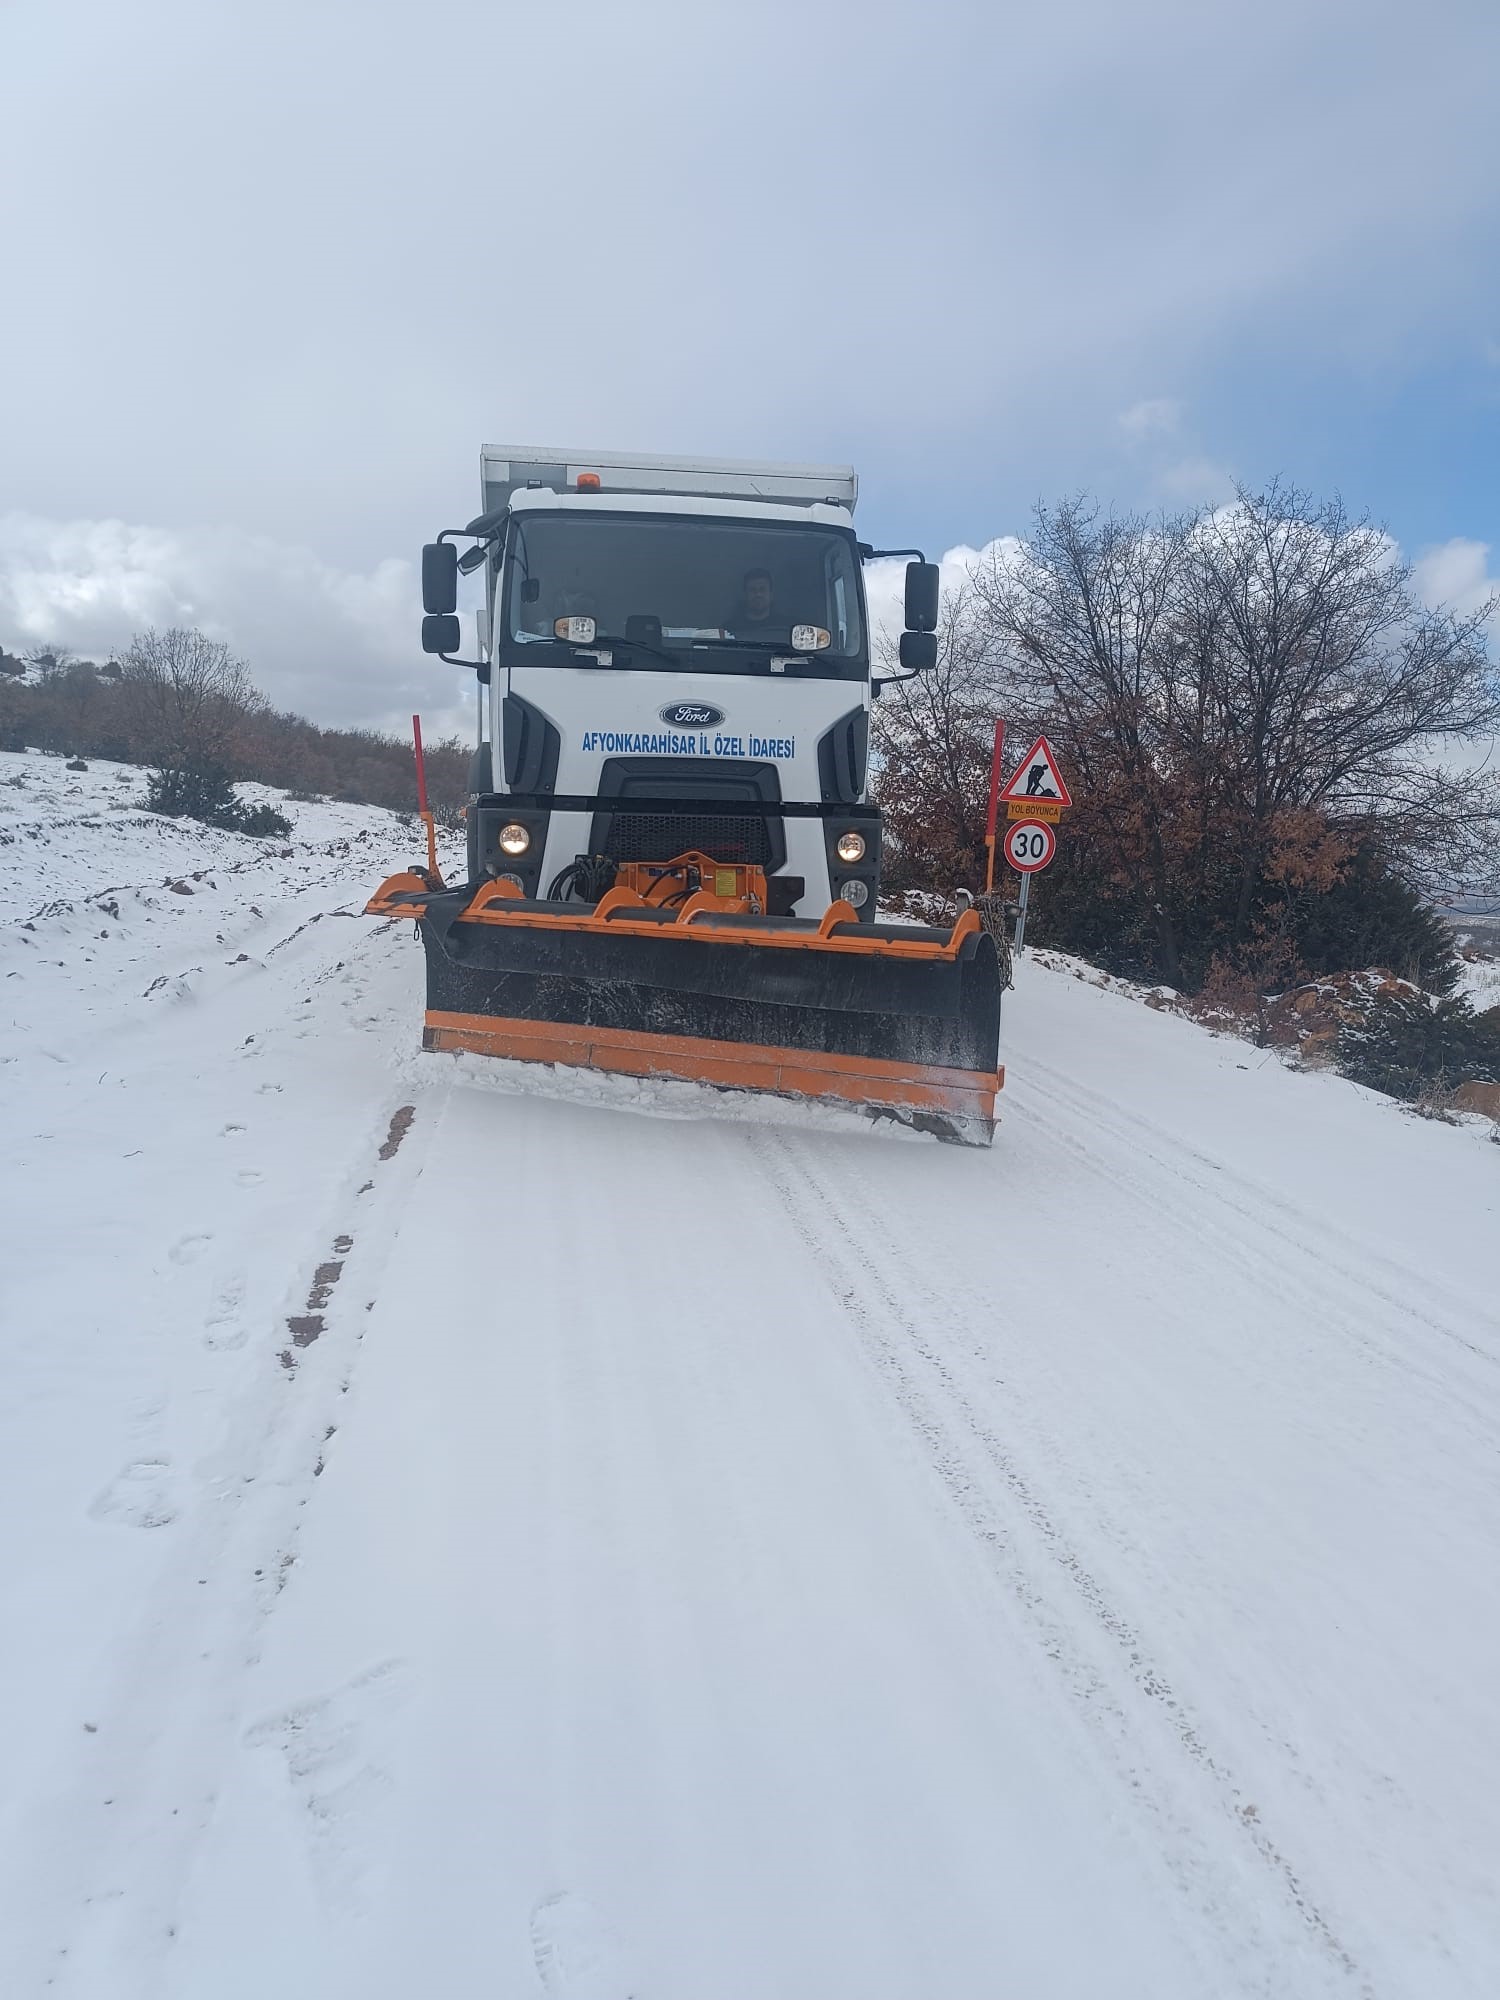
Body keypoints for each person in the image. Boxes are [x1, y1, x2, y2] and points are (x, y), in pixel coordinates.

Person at [729, 567, 785, 641]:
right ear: (745, 594)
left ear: (771, 594)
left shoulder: (786, 628)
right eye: (752, 590)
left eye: (762, 589)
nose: (758, 594)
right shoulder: (730, 630)